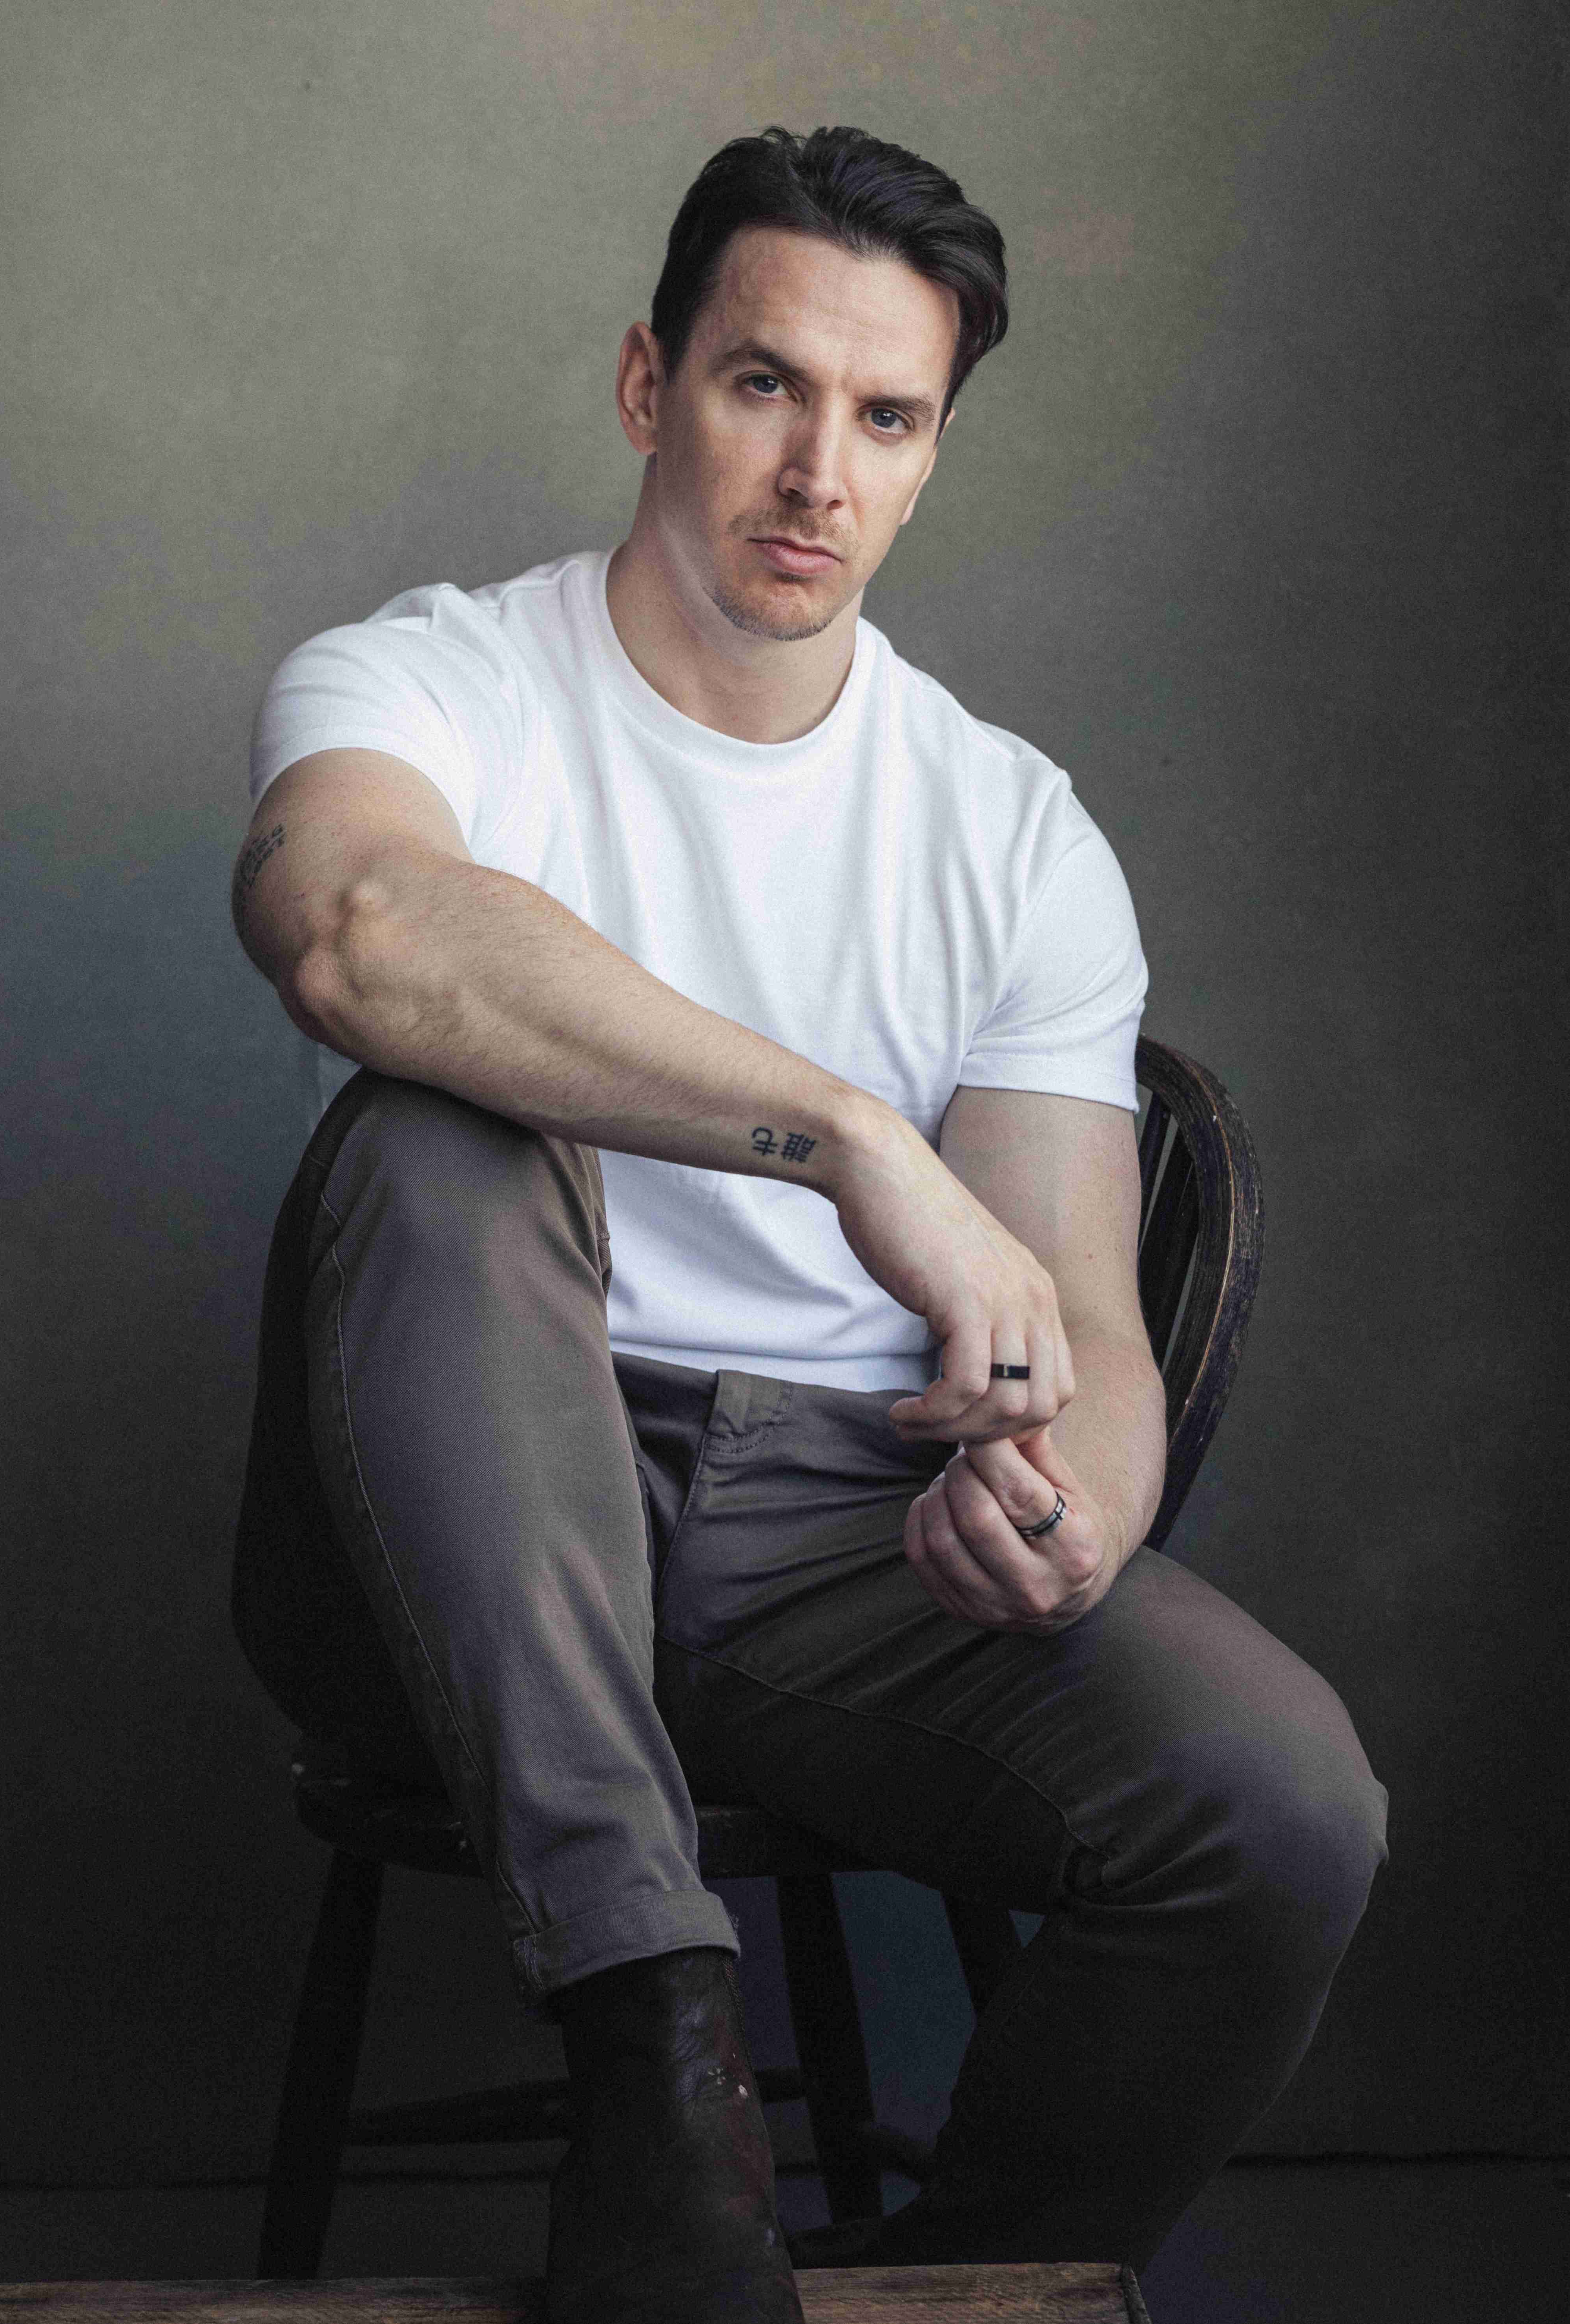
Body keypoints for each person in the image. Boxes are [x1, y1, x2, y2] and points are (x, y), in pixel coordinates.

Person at [230, 124, 1388, 2323]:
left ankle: (937, 2298)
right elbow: (357, 928)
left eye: (887, 417)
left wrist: (1074, 1501)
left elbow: (1079, 1312)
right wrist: (854, 1137)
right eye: (764, 384)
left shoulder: (1009, 832)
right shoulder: (427, 681)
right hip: (444, 1506)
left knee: (1277, 1804)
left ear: (931, 456)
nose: (816, 474)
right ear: (647, 382)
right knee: (436, 1132)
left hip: (828, 1542)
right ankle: (661, 2061)